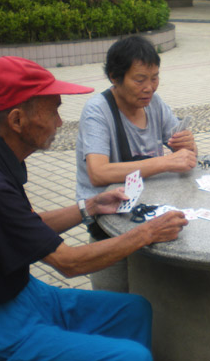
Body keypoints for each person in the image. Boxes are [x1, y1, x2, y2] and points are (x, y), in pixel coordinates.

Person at [0, 56, 189, 361]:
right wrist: (148, 233)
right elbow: (69, 263)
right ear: (17, 120)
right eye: (53, 110)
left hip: (27, 293)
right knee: (132, 356)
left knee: (134, 310)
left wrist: (90, 205)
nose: (59, 122)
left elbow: (27, 224)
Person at [76, 35, 197, 291]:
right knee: (113, 299)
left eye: (154, 78)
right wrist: (165, 162)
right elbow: (98, 172)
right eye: (140, 79)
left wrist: (188, 146)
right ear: (114, 77)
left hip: (149, 216)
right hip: (108, 224)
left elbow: (184, 154)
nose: (149, 88)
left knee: (155, 295)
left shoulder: (154, 104)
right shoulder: (98, 111)